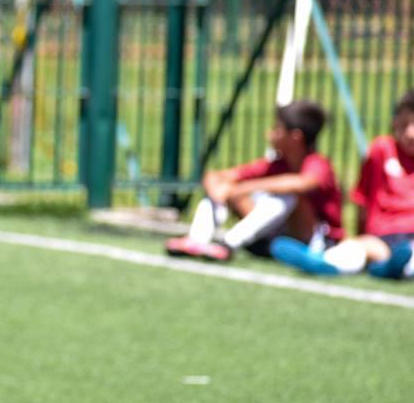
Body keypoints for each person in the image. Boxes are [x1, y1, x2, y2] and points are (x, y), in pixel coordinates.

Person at [165, 100, 342, 262]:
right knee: (226, 188)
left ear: (295, 137)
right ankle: (196, 240)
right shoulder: (275, 165)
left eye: (277, 128)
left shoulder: (318, 164)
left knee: (289, 194)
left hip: (315, 243)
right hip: (277, 236)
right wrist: (219, 192)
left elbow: (302, 183)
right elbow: (215, 176)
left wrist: (243, 188)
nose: (270, 133)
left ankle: (227, 244)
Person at [271, 90, 414, 278]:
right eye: (404, 125)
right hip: (383, 235)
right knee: (358, 248)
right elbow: (363, 199)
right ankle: (323, 262)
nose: (411, 133)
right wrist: (359, 234)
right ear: (394, 123)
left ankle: (389, 268)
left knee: (408, 254)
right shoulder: (382, 149)